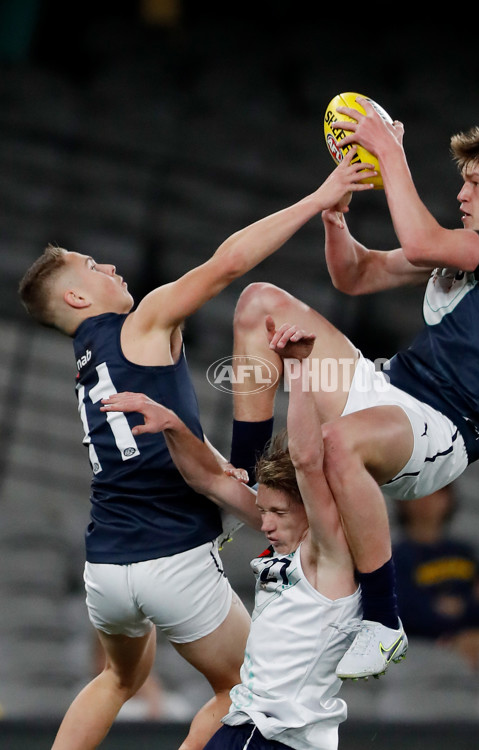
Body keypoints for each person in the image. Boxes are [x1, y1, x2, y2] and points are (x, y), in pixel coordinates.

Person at [16, 150, 373, 750]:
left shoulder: (86, 363)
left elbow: (158, 428)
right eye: (92, 266)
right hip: (170, 557)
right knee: (240, 688)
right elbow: (228, 263)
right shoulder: (146, 319)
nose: (109, 265)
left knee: (115, 678)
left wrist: (207, 451)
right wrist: (320, 197)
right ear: (78, 300)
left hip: (106, 566)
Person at [228, 106, 479, 680]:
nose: (461, 194)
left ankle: (384, 623)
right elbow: (354, 276)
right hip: (386, 389)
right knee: (259, 303)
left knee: (340, 442)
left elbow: (420, 237)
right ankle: (246, 482)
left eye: (473, 182)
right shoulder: (461, 249)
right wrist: (337, 218)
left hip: (443, 429)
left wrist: (388, 150)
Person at [101, 321, 364, 750]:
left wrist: (297, 372)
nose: (266, 523)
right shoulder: (287, 538)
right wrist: (172, 422)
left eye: (279, 512)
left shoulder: (328, 553)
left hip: (280, 738)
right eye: (264, 512)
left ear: (313, 508)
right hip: (250, 726)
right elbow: (209, 479)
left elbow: (307, 459)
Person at [393, 484, 479, 670]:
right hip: (422, 648)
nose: (427, 500)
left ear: (449, 499)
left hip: (470, 640)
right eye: (419, 492)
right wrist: (440, 613)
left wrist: (459, 607)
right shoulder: (395, 558)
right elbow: (401, 611)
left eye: (436, 492)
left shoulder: (466, 554)